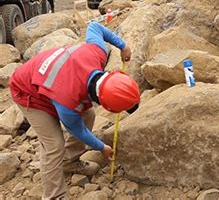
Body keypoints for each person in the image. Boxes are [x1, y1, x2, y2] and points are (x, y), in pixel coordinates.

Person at [9, 21, 140, 199]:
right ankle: (54, 195)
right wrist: (101, 147)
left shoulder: (96, 53)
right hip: (26, 91)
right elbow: (77, 130)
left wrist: (123, 46)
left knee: (88, 114)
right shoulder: (67, 101)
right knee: (53, 146)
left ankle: (69, 162)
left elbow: (95, 26)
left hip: (50, 81)